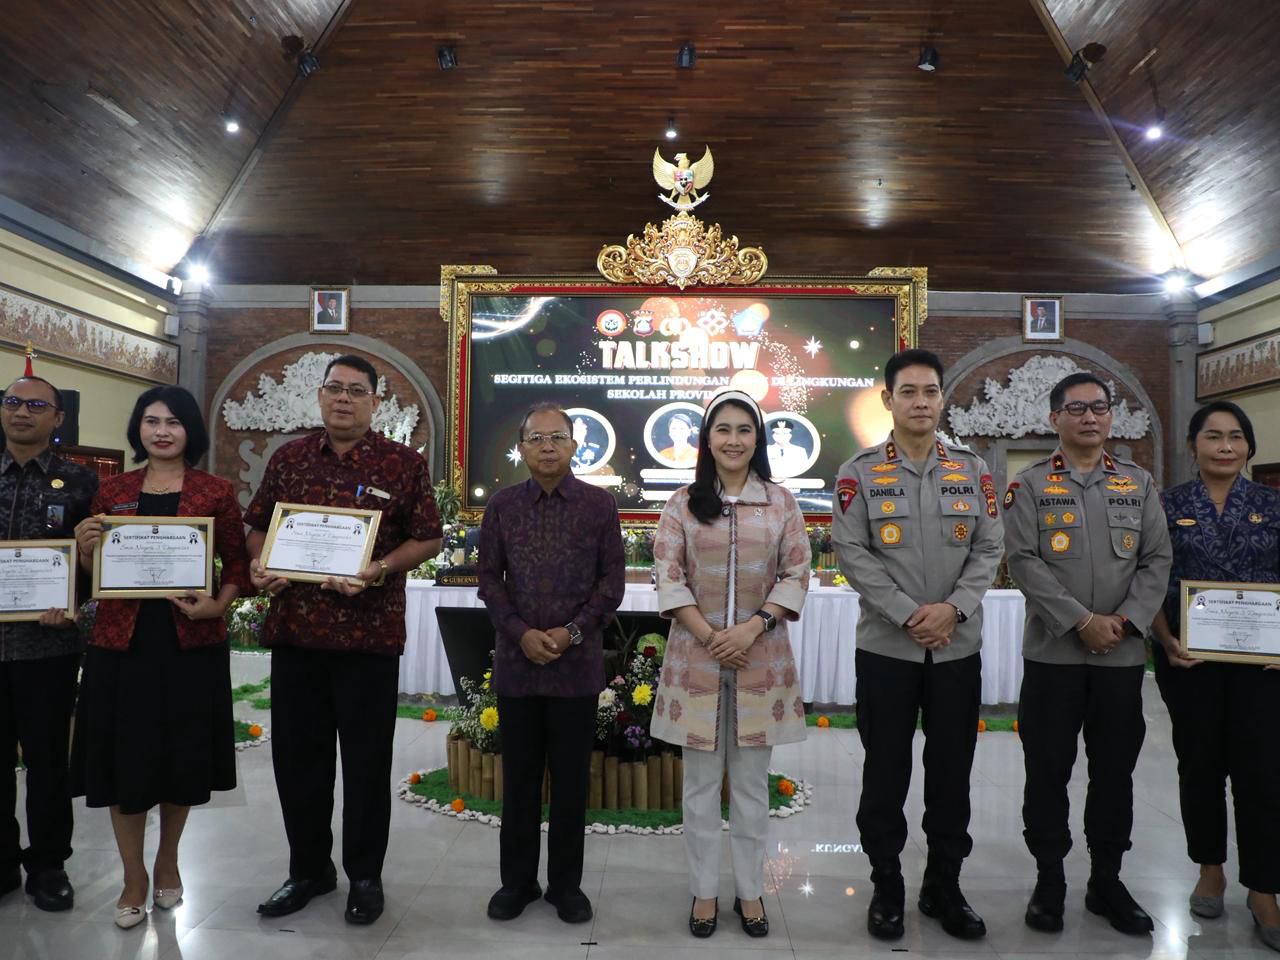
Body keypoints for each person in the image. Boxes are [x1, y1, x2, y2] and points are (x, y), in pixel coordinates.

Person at [246, 354, 442, 926]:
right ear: (320, 395)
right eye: (335, 388)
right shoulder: (289, 458)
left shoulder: (403, 464)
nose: (344, 399)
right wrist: (260, 561)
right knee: (298, 763)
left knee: (365, 766)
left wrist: (378, 568)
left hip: (367, 639)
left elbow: (427, 538)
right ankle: (308, 870)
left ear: (375, 402)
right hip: (297, 635)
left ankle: (364, 876)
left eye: (357, 391)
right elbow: (258, 524)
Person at [831, 349, 1003, 942]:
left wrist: (953, 609)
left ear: (942, 398)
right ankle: (887, 884)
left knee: (952, 771)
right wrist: (908, 613)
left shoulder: (972, 469)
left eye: (931, 391)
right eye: (908, 392)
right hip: (887, 650)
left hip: (956, 647)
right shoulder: (858, 473)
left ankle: (943, 885)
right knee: (885, 771)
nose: (921, 402)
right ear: (888, 400)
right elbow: (853, 553)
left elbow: (989, 546)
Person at [69, 385, 248, 929]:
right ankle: (133, 877)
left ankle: (168, 859)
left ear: (190, 430)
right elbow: (91, 574)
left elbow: (237, 565)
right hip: (120, 645)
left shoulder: (216, 491)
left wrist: (217, 604)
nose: (162, 431)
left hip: (189, 644)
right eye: (152, 421)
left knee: (180, 757)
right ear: (138, 429)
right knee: (124, 761)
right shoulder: (112, 491)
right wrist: (84, 549)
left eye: (173, 422)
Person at [1004, 371, 1172, 936]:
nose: (1090, 417)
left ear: (1111, 416)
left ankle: (1107, 880)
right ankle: (1049, 879)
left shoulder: (1137, 484)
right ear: (1055, 418)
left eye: (1099, 407)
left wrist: (1124, 622)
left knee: (1115, 773)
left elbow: (1156, 559)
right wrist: (1081, 621)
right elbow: (1023, 561)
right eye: (1076, 408)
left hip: (1119, 658)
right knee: (1047, 771)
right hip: (1053, 657)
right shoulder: (1029, 485)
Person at [651, 388, 811, 939]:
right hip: (694, 662)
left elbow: (796, 572)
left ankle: (749, 891)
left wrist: (751, 627)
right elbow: (668, 574)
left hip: (760, 659)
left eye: (744, 430)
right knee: (698, 788)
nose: (734, 440)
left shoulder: (781, 503)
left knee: (750, 786)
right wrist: (709, 635)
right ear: (708, 439)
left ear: (757, 438)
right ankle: (703, 891)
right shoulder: (682, 503)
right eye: (723, 429)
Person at [478, 402, 625, 924]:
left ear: (574, 446)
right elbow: (489, 580)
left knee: (570, 784)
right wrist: (521, 633)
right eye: (536, 438)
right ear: (521, 447)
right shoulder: (502, 506)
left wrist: (571, 633)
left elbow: (611, 585)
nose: (547, 447)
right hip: (517, 666)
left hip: (575, 668)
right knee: (518, 781)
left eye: (557, 437)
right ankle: (517, 884)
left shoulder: (599, 506)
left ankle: (567, 887)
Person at [1149, 401, 1280, 951]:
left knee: (1262, 772)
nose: (1225, 447)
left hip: (1263, 667)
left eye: (1235, 437)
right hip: (1189, 660)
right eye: (1213, 436)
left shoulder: (1272, 504)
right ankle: (1210, 868)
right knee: (1199, 766)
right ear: (1192, 445)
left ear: (1249, 447)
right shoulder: (1166, 504)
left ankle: (1264, 889)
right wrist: (1165, 639)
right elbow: (1148, 577)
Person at [0, 375, 98, 912]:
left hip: (49, 646)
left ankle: (48, 865)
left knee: (47, 763)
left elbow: (97, 566)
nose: (22, 412)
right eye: (13, 402)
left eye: (36, 405)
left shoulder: (80, 483)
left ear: (58, 418)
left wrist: (76, 608)